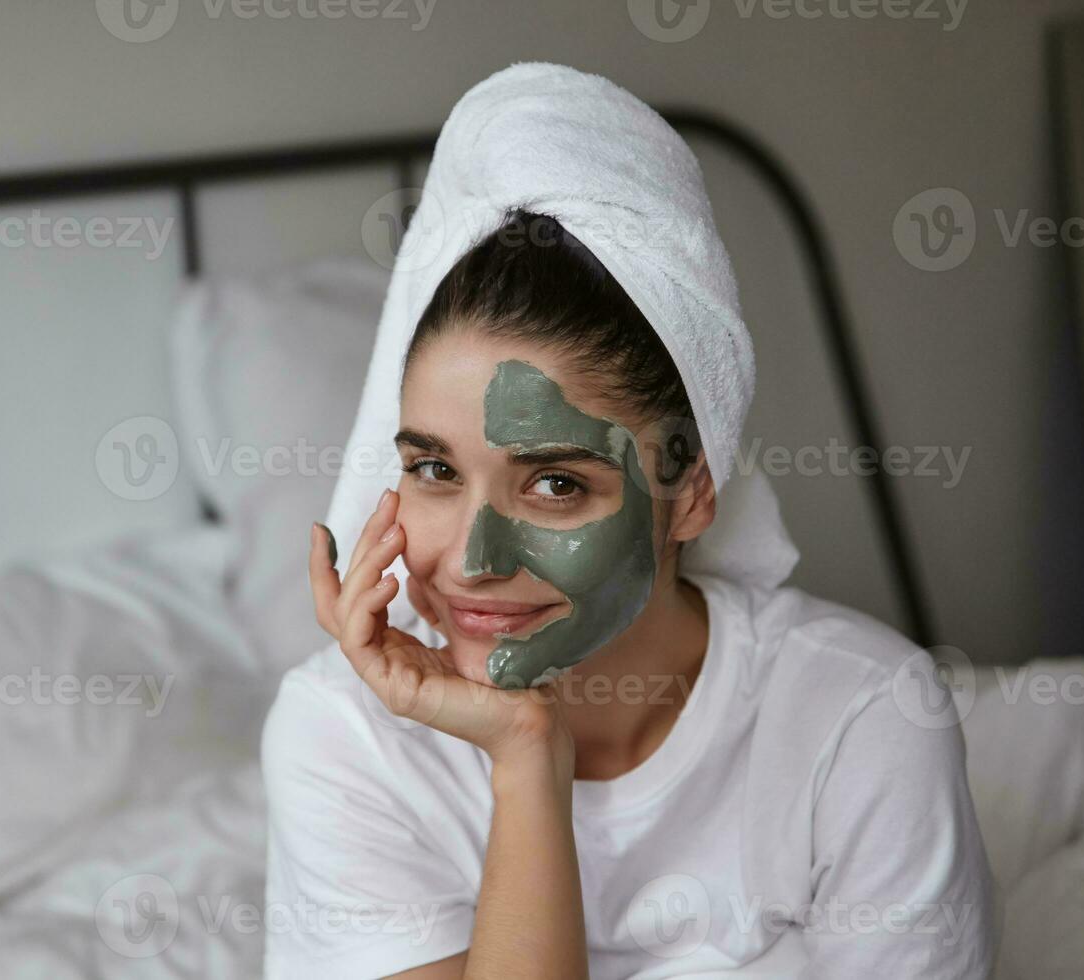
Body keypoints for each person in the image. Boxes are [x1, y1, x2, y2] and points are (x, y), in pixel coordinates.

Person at [262, 64, 996, 980]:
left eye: (555, 486)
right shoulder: (344, 735)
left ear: (690, 488)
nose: (473, 562)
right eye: (435, 470)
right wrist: (529, 756)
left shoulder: (867, 720)